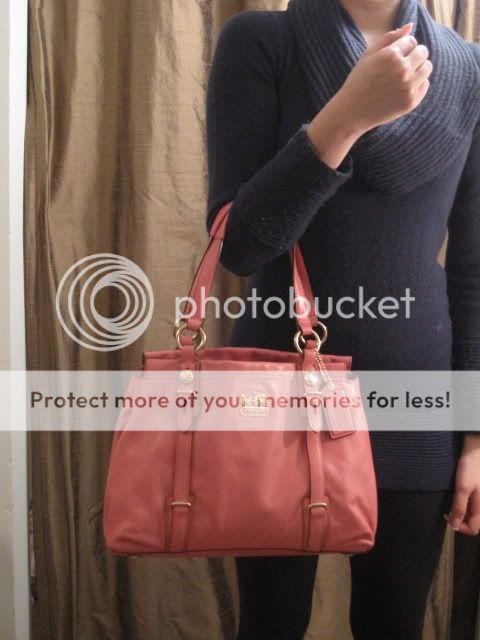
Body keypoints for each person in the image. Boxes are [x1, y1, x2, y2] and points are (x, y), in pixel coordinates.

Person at [205, 0, 480, 638]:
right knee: (270, 624)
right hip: (277, 391)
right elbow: (240, 247)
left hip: (417, 402)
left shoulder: (466, 71)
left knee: (395, 624)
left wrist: (475, 436)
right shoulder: (261, 41)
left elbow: (474, 273)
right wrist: (348, 114)